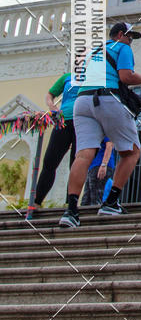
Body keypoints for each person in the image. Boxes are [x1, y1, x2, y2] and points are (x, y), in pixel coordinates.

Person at [58, 21, 141, 228]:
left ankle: (71, 212)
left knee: (83, 155)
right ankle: (111, 202)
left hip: (82, 102)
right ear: (120, 34)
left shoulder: (93, 52)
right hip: (107, 98)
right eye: (130, 37)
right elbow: (126, 76)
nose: (131, 41)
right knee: (131, 152)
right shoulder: (122, 48)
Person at [30, 73, 80, 215]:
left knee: (76, 164)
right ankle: (37, 201)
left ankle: (71, 204)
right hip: (63, 121)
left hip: (83, 121)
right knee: (50, 161)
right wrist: (52, 106)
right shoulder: (68, 76)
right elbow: (50, 94)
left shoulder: (95, 75)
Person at [80, 137, 115, 206]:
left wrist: (104, 164)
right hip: (93, 165)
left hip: (99, 165)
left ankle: (96, 211)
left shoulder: (105, 131)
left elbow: (109, 145)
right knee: (86, 198)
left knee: (96, 197)